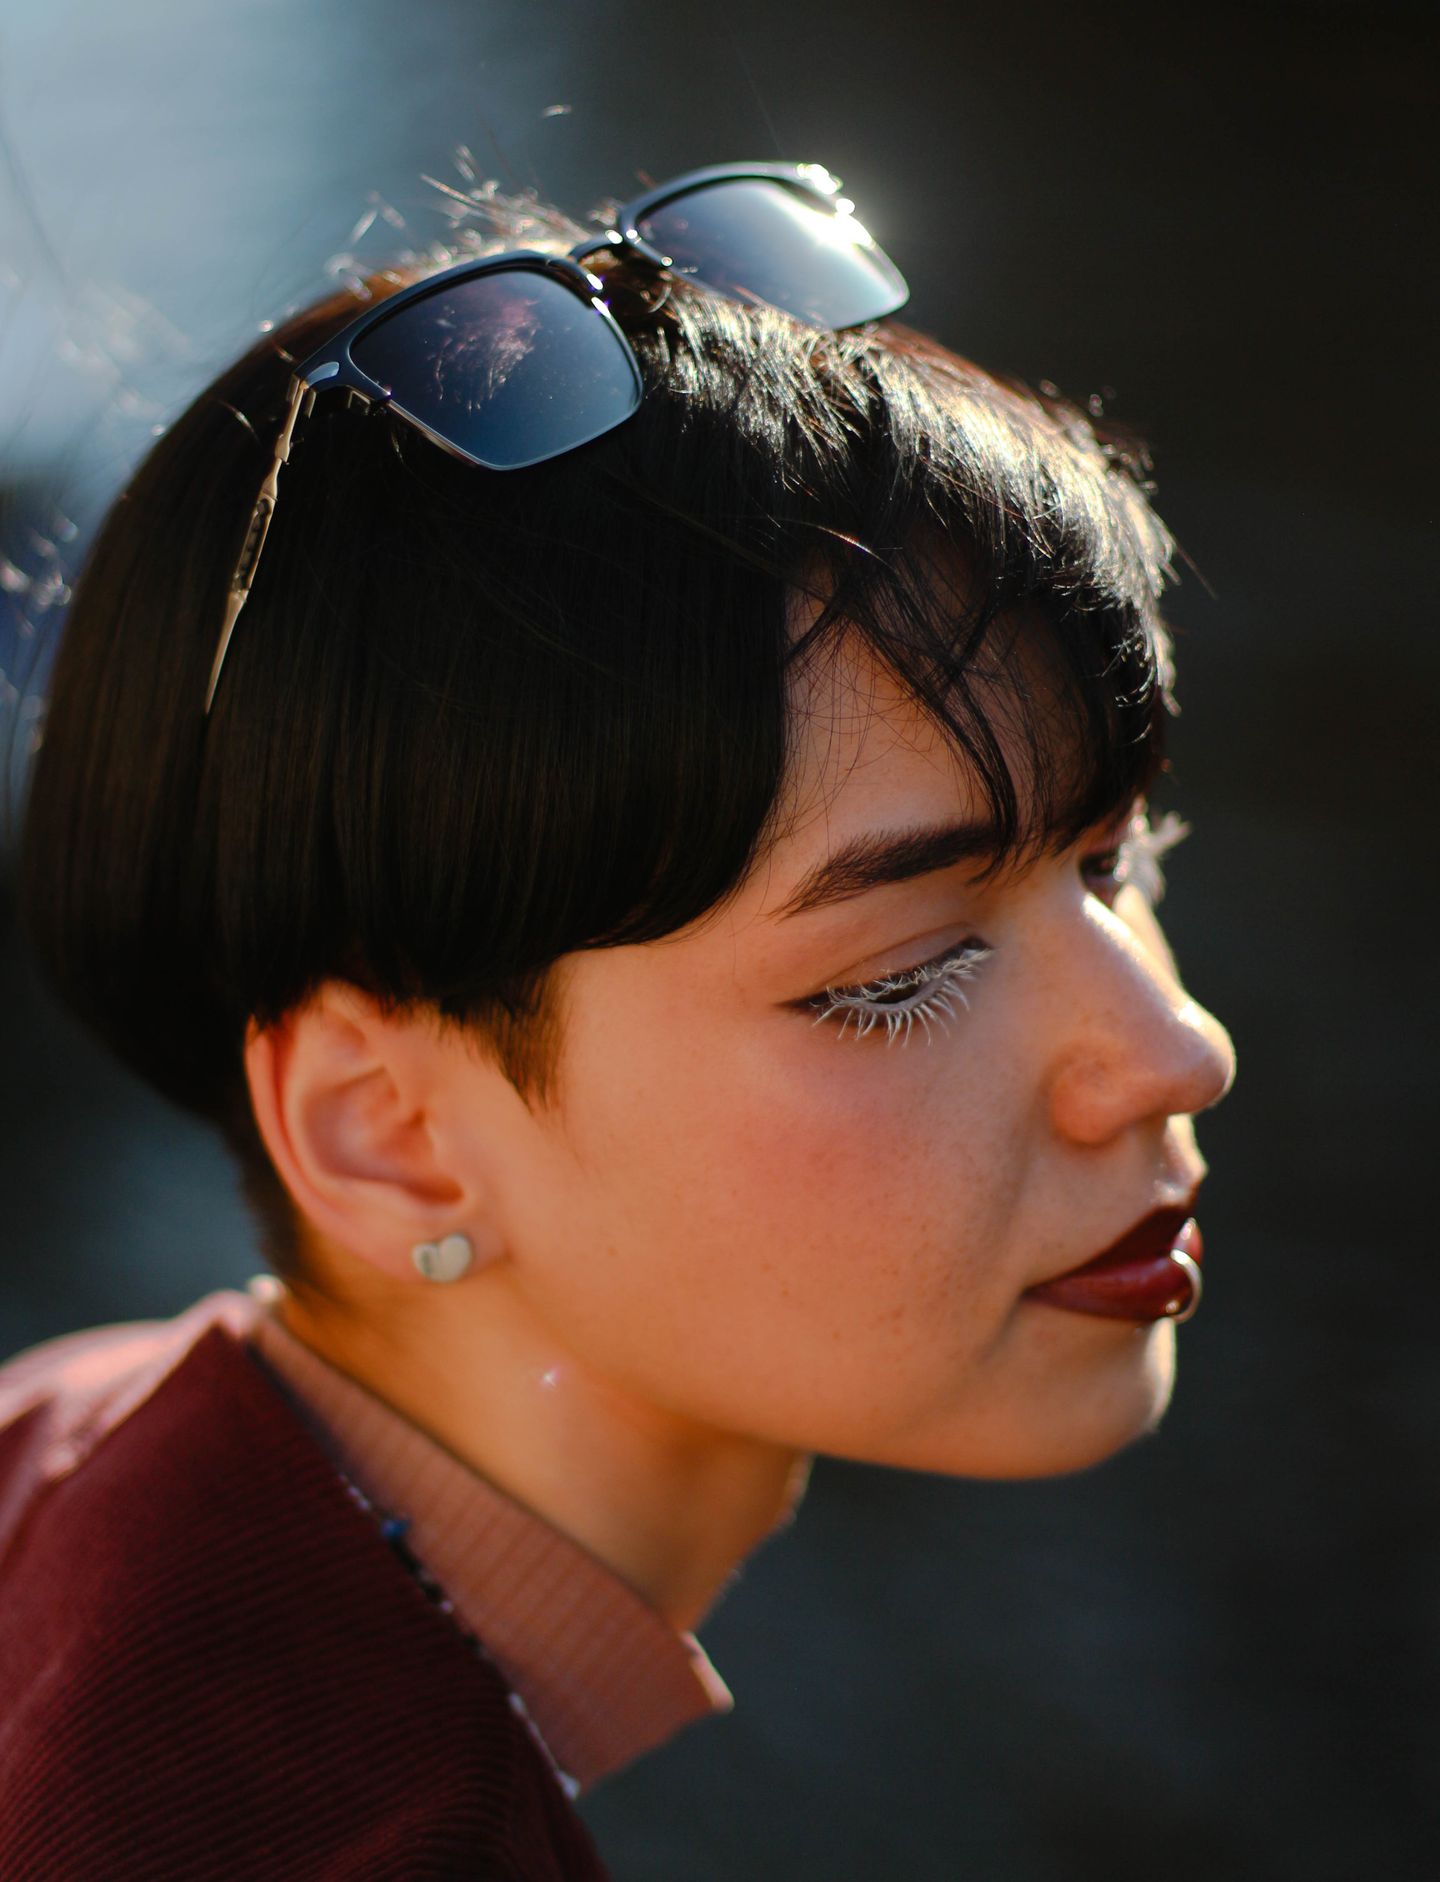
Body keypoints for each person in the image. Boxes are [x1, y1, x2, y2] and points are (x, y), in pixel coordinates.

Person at [0, 162, 1235, 1877]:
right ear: (390, 1131)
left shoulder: (69, 1442)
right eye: (896, 975)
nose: (1174, 1051)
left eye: (1113, 859)